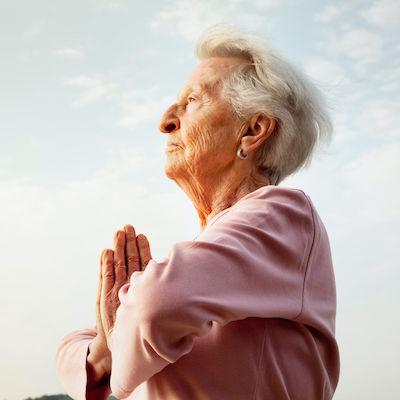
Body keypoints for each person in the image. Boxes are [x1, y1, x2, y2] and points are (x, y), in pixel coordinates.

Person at [55, 24, 340, 400]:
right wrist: (106, 352)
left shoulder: (284, 215)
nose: (166, 120)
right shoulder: (211, 261)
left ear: (253, 131)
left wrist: (113, 347)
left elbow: (155, 306)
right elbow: (69, 352)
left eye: (192, 101)